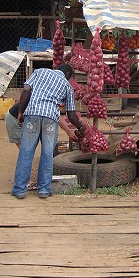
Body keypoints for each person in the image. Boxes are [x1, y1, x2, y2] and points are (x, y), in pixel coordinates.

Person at [11, 63, 85, 199]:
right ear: (68, 75)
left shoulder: (40, 72)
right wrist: (81, 127)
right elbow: (71, 114)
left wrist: (21, 111)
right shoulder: (67, 85)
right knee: (47, 153)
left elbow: (26, 89)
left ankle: (20, 190)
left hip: (32, 114)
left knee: (26, 151)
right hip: (51, 118)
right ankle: (44, 190)